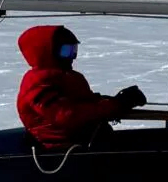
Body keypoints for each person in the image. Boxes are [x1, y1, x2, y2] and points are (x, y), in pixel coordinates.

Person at [15, 23, 148, 144]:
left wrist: (116, 101)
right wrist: (116, 104)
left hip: (84, 138)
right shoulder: (37, 83)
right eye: (66, 51)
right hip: (61, 147)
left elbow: (83, 103)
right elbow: (67, 115)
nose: (72, 56)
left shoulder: (67, 77)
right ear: (47, 52)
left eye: (74, 50)